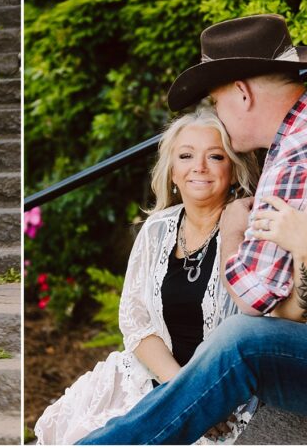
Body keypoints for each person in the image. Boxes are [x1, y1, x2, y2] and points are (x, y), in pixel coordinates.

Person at [78, 14, 307, 445]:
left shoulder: (299, 157)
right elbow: (289, 309)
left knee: (240, 339)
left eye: (216, 102)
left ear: (242, 93)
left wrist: (233, 229)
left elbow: (253, 299)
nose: (217, 114)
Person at [35, 105, 264, 444]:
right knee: (80, 432)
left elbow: (258, 327)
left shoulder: (248, 231)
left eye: (215, 156)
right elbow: (136, 320)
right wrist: (183, 394)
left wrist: (202, 402)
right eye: (186, 156)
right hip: (153, 381)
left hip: (226, 400)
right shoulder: (157, 229)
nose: (199, 167)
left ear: (232, 171)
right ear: (172, 172)